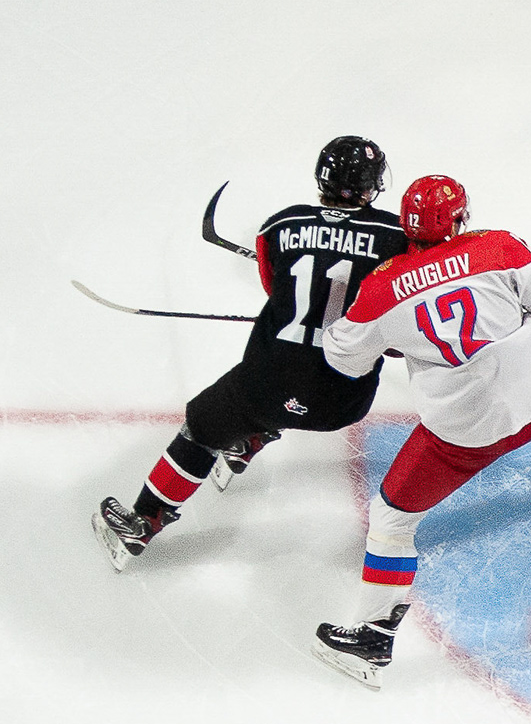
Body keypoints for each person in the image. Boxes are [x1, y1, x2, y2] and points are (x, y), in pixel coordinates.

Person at [310, 174, 531, 689]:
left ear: (407, 225)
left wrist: (391, 338)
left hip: (463, 434)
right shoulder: (501, 247)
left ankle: (373, 636)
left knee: (392, 520)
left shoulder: (381, 288)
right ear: (462, 218)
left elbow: (345, 362)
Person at [92, 137, 409, 570]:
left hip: (267, 387)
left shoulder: (280, 225)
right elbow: (404, 312)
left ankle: (143, 522)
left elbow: (274, 290)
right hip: (345, 402)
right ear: (374, 183)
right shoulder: (398, 239)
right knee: (304, 386)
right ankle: (248, 441)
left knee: (203, 427)